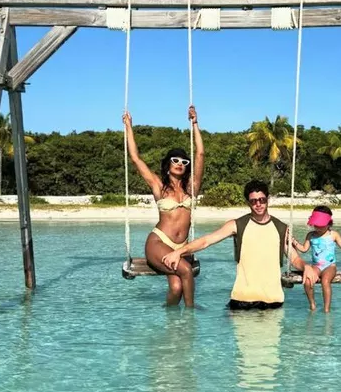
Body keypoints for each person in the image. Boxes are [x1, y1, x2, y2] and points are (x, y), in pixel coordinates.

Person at [162, 180, 314, 310]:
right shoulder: (237, 225)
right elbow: (206, 241)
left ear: (268, 199)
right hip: (242, 300)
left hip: (273, 302)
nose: (258, 204)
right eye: (254, 201)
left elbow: (294, 259)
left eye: (262, 200)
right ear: (248, 203)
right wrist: (179, 252)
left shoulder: (281, 228)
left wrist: (306, 266)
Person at [123, 105, 204, 307]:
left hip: (181, 247)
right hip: (158, 242)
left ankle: (170, 319)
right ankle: (191, 315)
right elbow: (135, 158)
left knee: (176, 289)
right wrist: (129, 127)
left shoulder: (191, 188)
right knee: (186, 271)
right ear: (168, 165)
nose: (180, 163)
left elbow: (201, 154)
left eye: (184, 162)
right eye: (175, 160)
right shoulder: (159, 186)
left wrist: (195, 124)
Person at [292, 205, 341, 313]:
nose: (318, 228)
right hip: (316, 266)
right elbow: (304, 249)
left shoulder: (333, 235)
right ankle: (312, 305)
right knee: (308, 280)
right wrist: (293, 241)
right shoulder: (311, 235)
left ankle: (326, 309)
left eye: (321, 225)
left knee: (325, 281)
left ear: (329, 223)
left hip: (330, 266)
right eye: (316, 225)